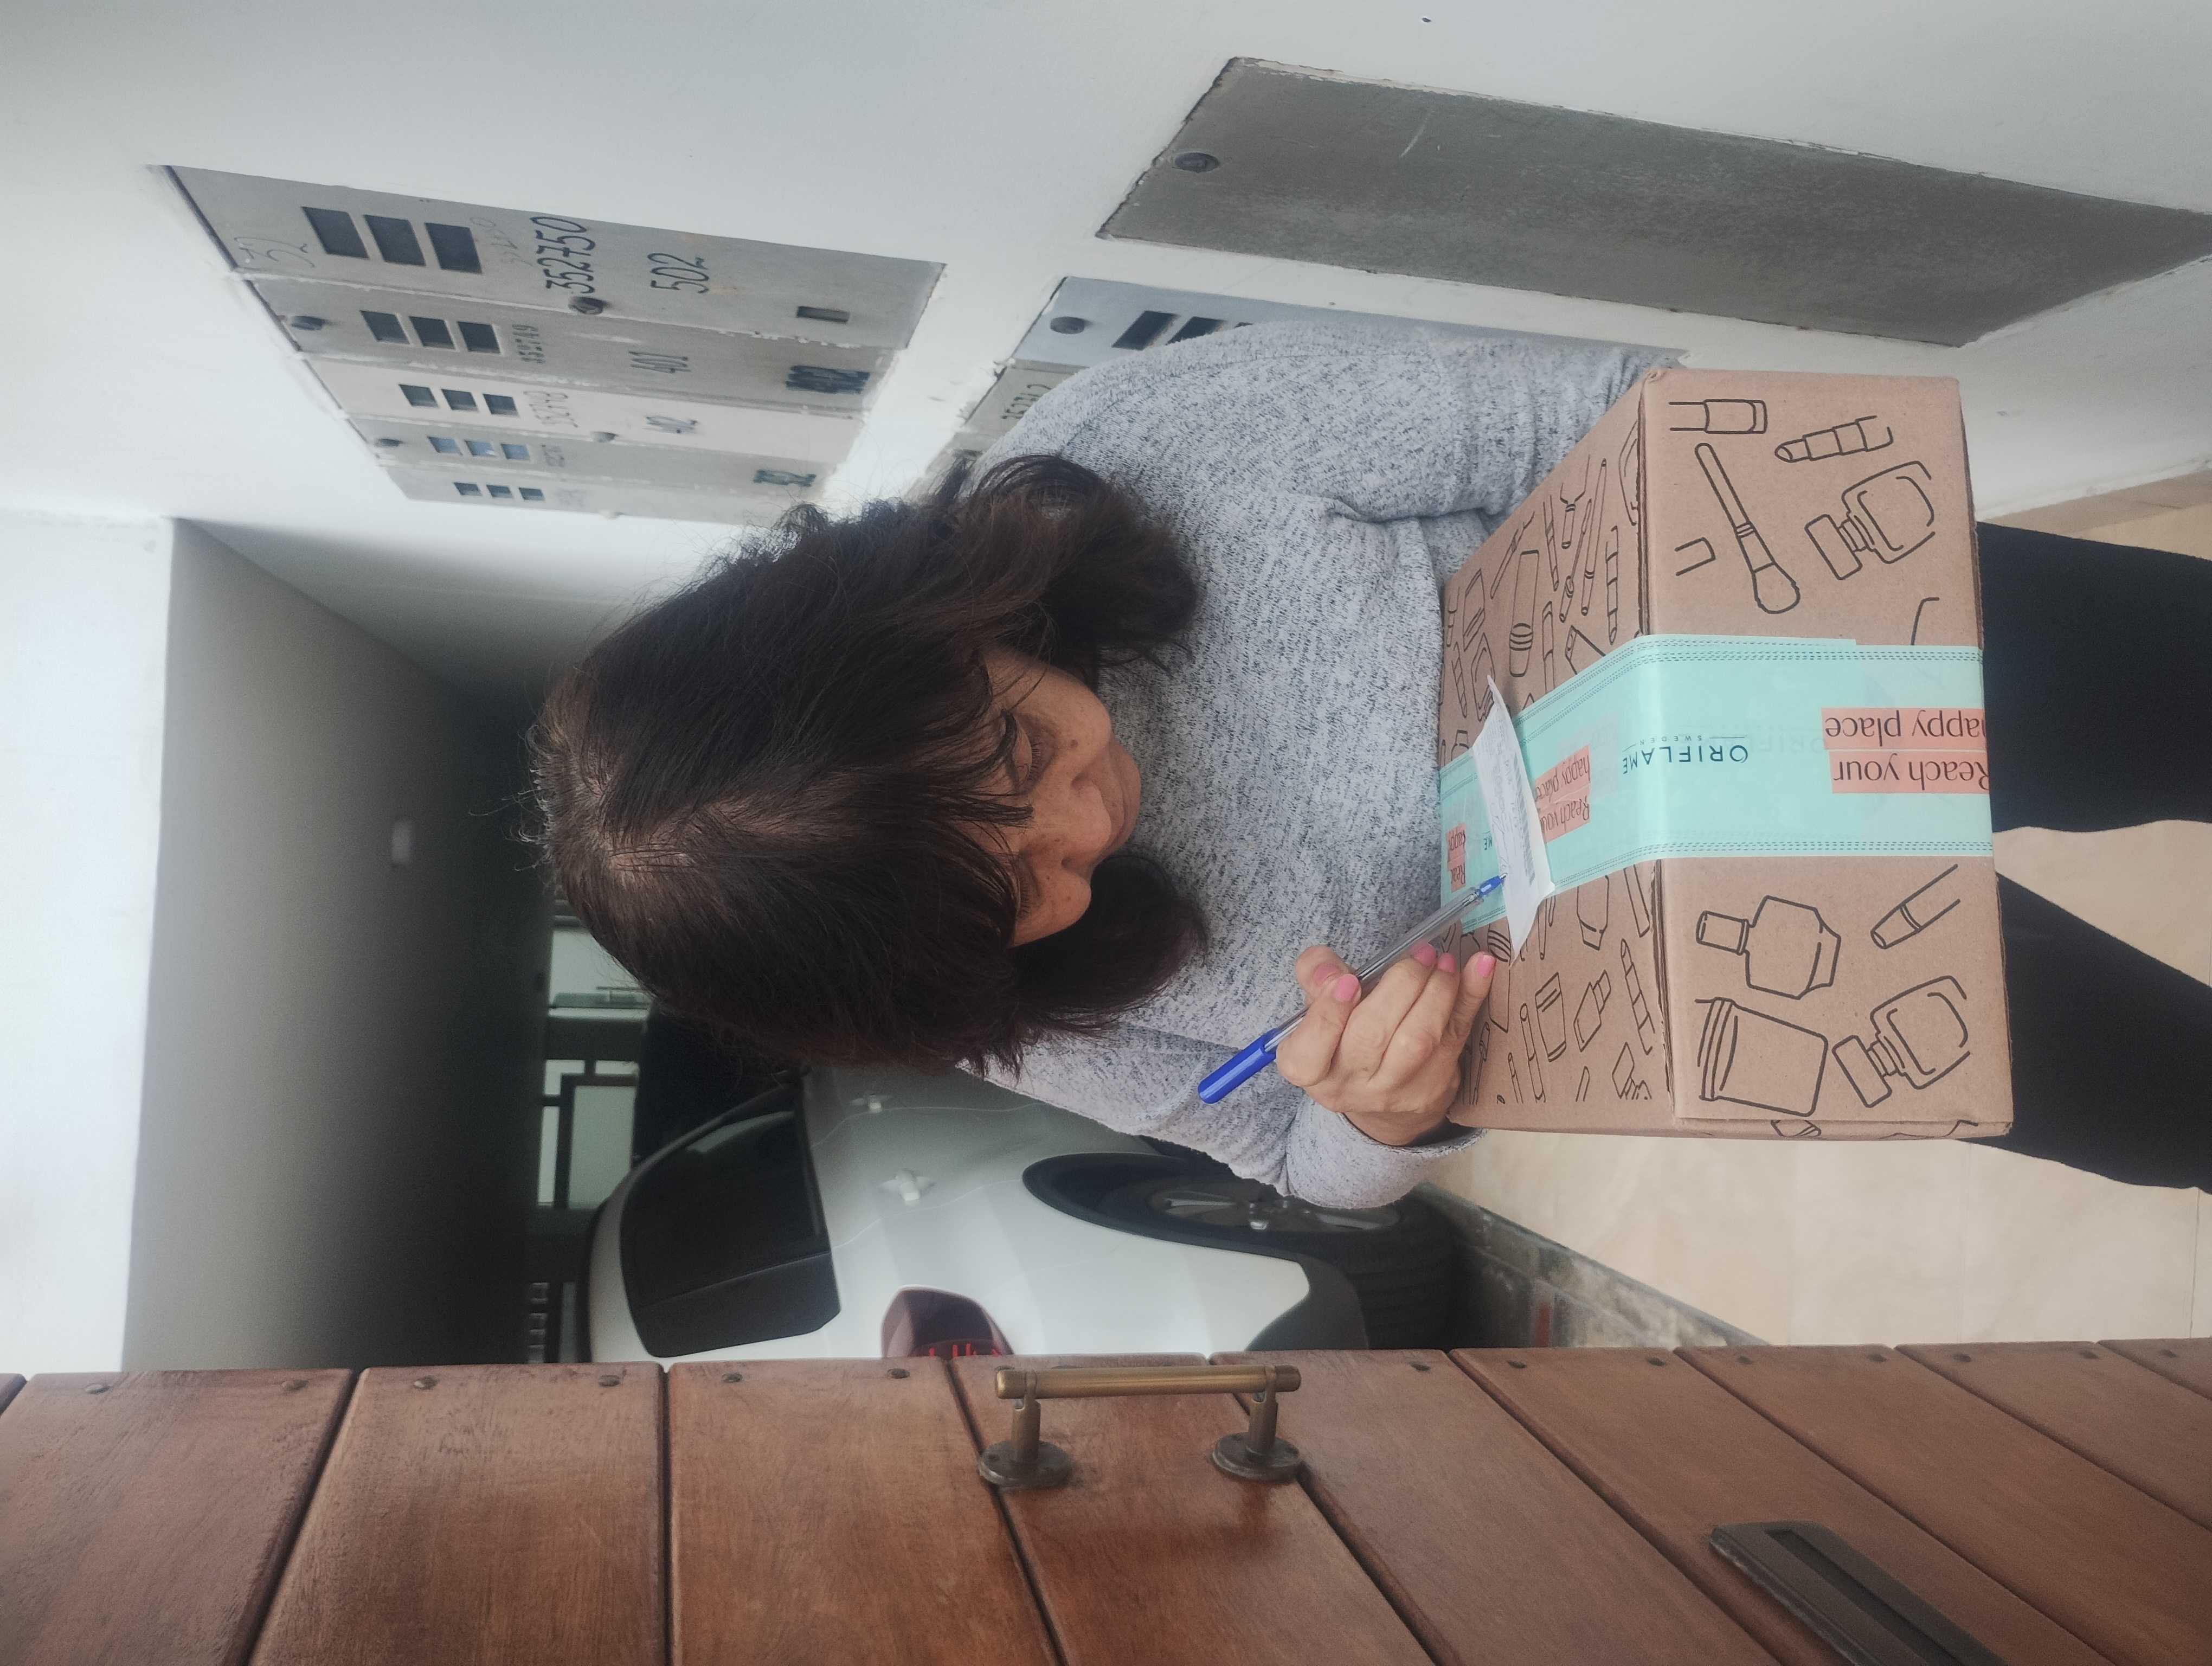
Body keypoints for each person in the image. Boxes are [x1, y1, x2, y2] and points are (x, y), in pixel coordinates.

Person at [533, 322, 2209, 1204]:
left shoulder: (1142, 451)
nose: (1086, 828)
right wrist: (1375, 1115)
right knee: (2167, 1103)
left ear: (935, 615)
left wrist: (1708, 608)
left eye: (1016, 750)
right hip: (1721, 965)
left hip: (1813, 642)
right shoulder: (1017, 1016)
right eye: (1016, 896)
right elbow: (1285, 1157)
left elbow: (1583, 410)